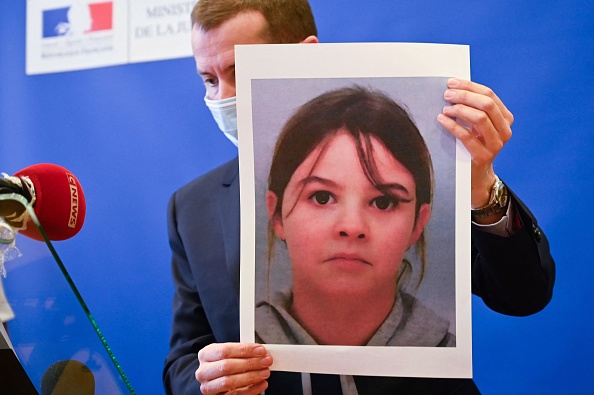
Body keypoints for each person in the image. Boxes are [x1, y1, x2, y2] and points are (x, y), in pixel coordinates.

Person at [163, 1, 555, 394]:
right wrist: (206, 380)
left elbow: (524, 295)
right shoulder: (193, 208)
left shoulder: (434, 165)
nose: (224, 96)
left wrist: (482, 185)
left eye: (238, 72)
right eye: (209, 81)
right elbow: (183, 359)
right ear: (275, 212)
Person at [256, 86, 453, 348]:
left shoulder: (448, 368)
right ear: (277, 215)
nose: (352, 227)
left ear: (418, 224)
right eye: (322, 197)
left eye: (383, 202)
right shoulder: (229, 350)